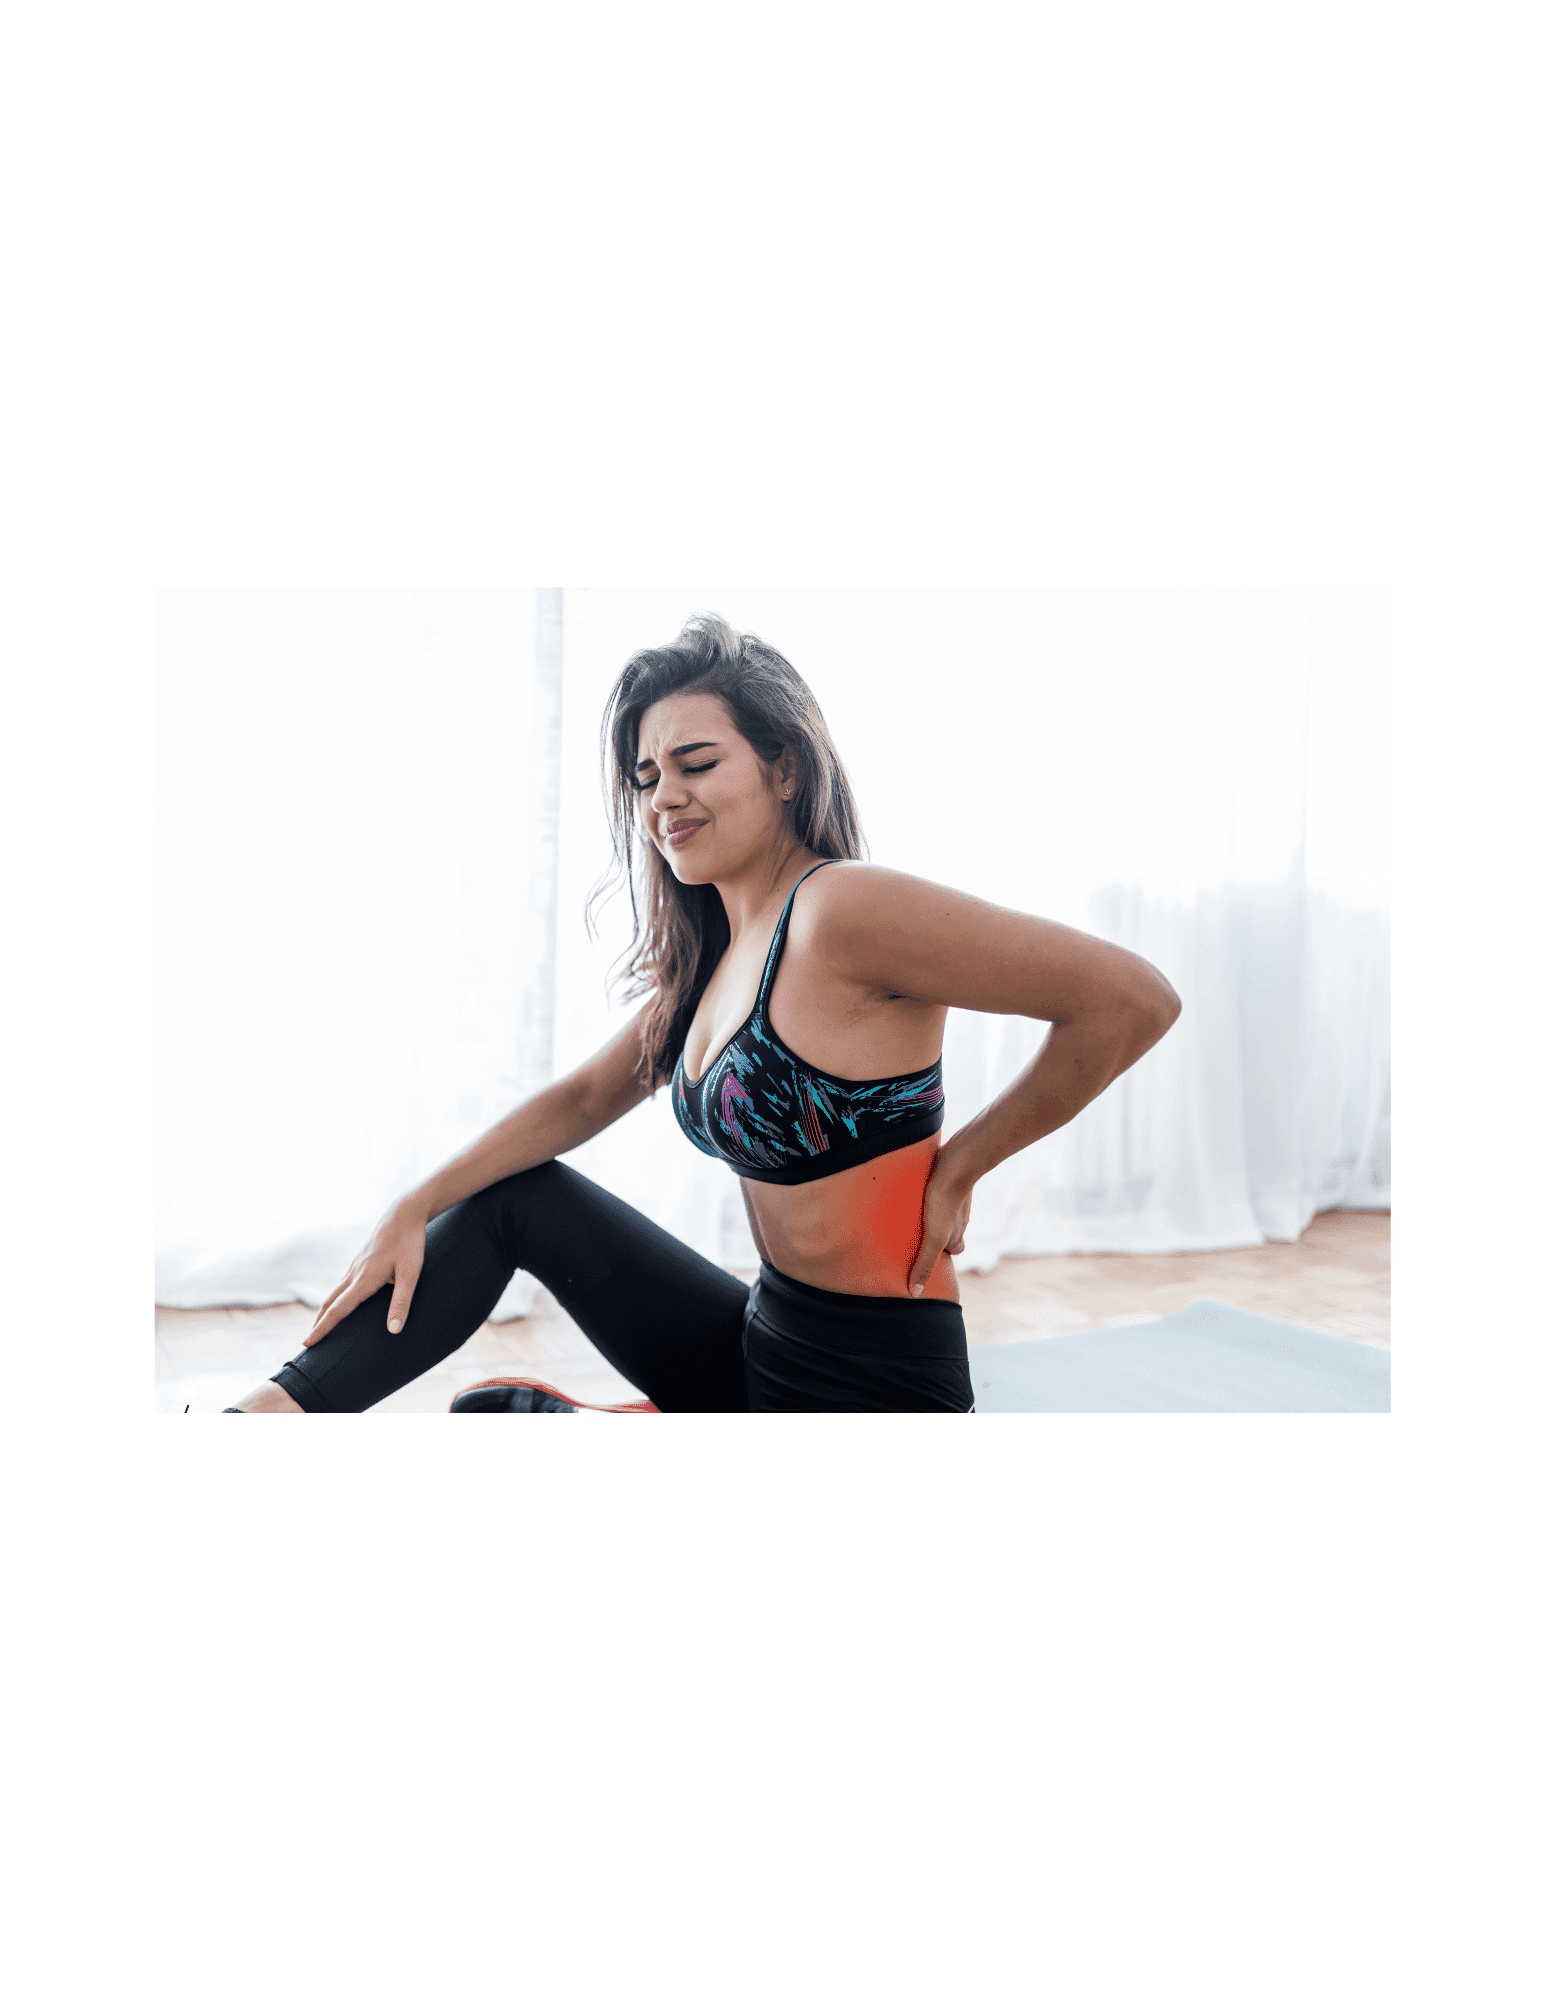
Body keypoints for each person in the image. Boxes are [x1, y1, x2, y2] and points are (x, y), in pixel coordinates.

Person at [228, 614, 1181, 1414]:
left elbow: (1128, 1000)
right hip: (759, 1343)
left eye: (694, 762)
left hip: (873, 1387)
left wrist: (964, 1163)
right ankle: (258, 1423)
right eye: (645, 778)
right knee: (515, 1199)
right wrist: (412, 1204)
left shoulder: (841, 911)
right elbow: (584, 1097)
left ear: (784, 769)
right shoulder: (722, 956)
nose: (663, 798)